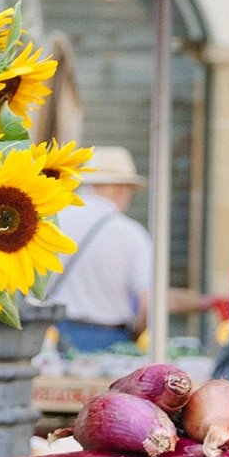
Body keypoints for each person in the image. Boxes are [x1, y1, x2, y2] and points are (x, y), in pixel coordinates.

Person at [47, 146, 156, 354]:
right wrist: (137, 334)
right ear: (123, 189)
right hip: (112, 340)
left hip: (57, 336)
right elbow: (147, 304)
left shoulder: (57, 221)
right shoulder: (132, 234)